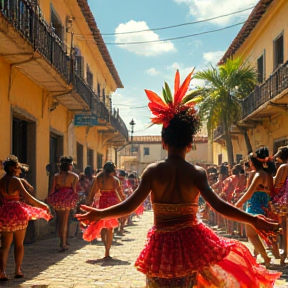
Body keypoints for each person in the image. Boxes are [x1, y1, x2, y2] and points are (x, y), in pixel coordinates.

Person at [77, 70, 281, 287]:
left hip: (161, 245)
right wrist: (253, 219)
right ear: (190, 143)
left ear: (163, 142)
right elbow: (219, 206)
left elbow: (129, 206)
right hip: (192, 243)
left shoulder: (153, 172)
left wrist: (100, 213)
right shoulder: (196, 173)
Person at [0, 155, 51, 281]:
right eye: (17, 167)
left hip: (5, 212)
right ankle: (17, 270)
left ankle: (1, 271)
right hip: (17, 213)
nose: (19, 169)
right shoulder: (16, 181)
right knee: (19, 244)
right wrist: (43, 205)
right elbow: (28, 198)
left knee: (4, 245)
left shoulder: (1, 181)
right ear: (12, 168)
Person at [235, 148, 280, 267]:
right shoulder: (268, 175)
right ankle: (270, 255)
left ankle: (266, 258)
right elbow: (271, 192)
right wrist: (263, 190)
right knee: (261, 233)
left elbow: (248, 192)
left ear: (253, 162)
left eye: (250, 161)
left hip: (253, 206)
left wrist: (236, 205)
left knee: (252, 235)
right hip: (264, 206)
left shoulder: (256, 174)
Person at [83, 161, 126, 259]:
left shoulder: (98, 179)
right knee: (110, 228)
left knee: (102, 225)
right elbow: (120, 193)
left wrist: (89, 201)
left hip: (102, 203)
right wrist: (123, 203)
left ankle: (105, 249)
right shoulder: (115, 180)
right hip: (112, 203)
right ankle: (107, 251)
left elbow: (92, 191)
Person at [47, 156, 79, 252]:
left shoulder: (56, 176)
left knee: (60, 222)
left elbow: (52, 189)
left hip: (58, 198)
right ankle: (63, 243)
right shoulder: (74, 176)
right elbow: (74, 189)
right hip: (68, 199)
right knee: (65, 222)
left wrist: (48, 198)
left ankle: (62, 241)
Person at [271, 146, 288, 264]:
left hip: (284, 200)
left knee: (285, 226)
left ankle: (285, 252)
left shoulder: (284, 167)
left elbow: (277, 183)